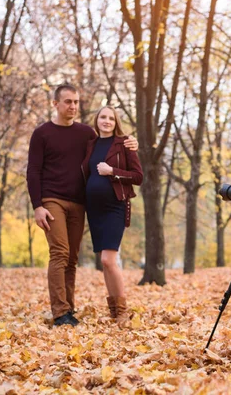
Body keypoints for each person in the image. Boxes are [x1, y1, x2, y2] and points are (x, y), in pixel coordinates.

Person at [26, 84, 138, 327]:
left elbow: (109, 146)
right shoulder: (42, 133)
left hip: (79, 203)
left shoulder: (86, 134)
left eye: (76, 102)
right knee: (60, 253)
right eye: (67, 102)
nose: (73, 106)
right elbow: (33, 171)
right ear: (55, 104)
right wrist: (38, 206)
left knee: (72, 258)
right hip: (52, 200)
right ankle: (60, 312)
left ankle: (69, 309)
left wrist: (131, 144)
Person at [81, 105, 143, 323]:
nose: (106, 121)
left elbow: (138, 176)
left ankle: (123, 312)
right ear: (97, 120)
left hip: (115, 206)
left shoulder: (124, 143)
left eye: (111, 118)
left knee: (109, 259)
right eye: (103, 117)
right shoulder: (90, 144)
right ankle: (114, 312)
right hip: (94, 209)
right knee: (103, 261)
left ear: (116, 122)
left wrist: (112, 172)